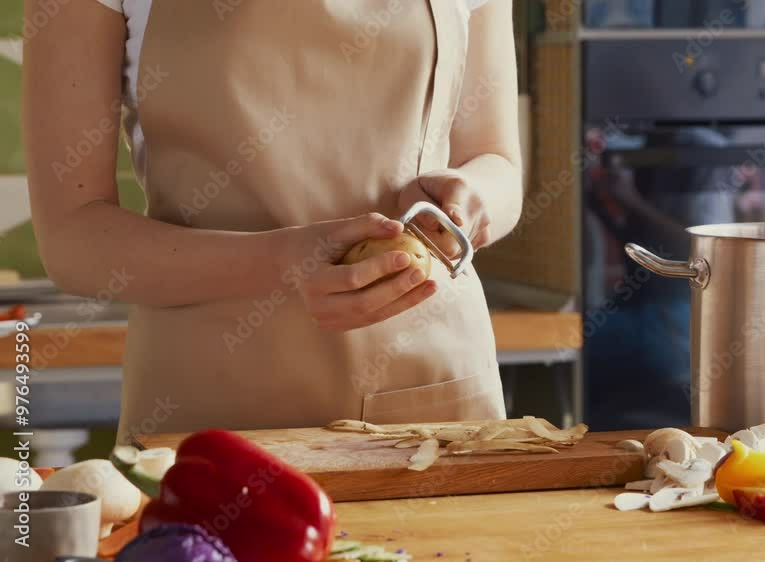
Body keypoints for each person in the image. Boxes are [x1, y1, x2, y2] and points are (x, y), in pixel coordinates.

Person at [23, 0, 523, 442]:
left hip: (429, 393)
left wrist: (471, 203)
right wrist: (284, 262)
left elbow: (495, 161)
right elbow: (73, 234)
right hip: (209, 407)